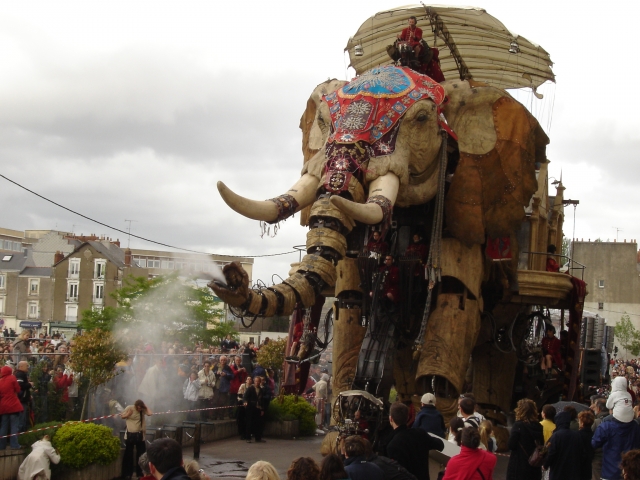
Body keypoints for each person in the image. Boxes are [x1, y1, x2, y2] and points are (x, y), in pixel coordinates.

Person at [386, 402, 444, 480]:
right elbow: (440, 445)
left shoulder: (391, 445)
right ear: (407, 418)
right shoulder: (420, 433)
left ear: (391, 419)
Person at [592, 407, 640, 480]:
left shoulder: (606, 426)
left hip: (609, 472)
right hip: (630, 472)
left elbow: (594, 444)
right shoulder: (636, 426)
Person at [506, 399, 544, 480]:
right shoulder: (539, 427)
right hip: (534, 465)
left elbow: (511, 445)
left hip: (518, 466)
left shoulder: (518, 426)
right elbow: (541, 444)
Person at [543, 411, 586, 480]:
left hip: (558, 470)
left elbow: (551, 453)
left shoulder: (556, 436)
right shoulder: (577, 435)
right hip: (573, 471)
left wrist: (545, 465)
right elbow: (582, 453)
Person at [121, 399, 153, 480]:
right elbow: (122, 416)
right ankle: (127, 473)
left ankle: (140, 473)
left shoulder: (142, 410)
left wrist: (145, 406)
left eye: (140, 408)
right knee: (128, 455)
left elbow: (150, 413)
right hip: (130, 435)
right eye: (138, 408)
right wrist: (128, 414)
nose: (139, 410)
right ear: (135, 406)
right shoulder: (130, 408)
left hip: (140, 435)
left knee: (141, 454)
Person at [0, 364, 24, 450]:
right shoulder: (12, 378)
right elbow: (18, 389)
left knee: (4, 426)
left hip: (3, 406)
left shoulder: (0, 381)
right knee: (14, 426)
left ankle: (1, 446)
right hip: (13, 405)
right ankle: (14, 445)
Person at [15, 360, 32, 432]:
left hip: (24, 399)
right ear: (21, 366)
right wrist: (29, 384)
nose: (28, 367)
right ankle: (19, 436)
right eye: (26, 366)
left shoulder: (23, 374)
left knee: (24, 418)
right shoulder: (20, 374)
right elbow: (20, 386)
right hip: (21, 399)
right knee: (21, 420)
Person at [578, 410, 595, 480]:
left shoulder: (578, 435)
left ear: (582, 423)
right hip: (590, 466)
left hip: (579, 466)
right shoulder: (594, 435)